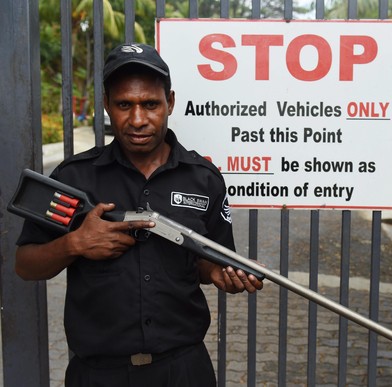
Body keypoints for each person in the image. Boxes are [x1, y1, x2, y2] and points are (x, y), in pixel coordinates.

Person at [15, 43, 263, 386]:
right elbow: (25, 265)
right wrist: (75, 244)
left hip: (184, 370)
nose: (137, 119)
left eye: (150, 104)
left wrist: (220, 273)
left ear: (170, 103)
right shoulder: (74, 178)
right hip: (98, 374)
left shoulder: (204, 179)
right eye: (123, 105)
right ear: (106, 105)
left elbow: (209, 264)